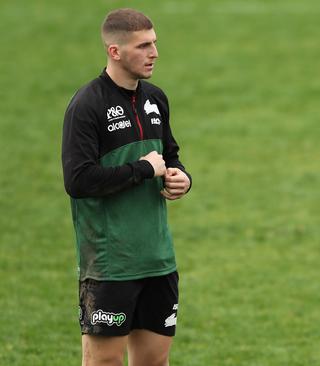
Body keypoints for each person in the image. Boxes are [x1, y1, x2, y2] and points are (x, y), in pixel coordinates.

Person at [62, 8, 191, 366]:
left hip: (157, 258)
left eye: (154, 44)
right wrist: (141, 170)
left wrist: (181, 177)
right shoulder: (87, 106)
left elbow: (170, 156)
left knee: (154, 360)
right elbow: (78, 180)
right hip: (110, 264)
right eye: (143, 46)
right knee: (104, 362)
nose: (154, 53)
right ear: (115, 51)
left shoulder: (155, 99)